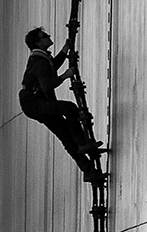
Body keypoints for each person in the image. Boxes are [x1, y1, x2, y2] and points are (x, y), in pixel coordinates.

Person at [19, 27, 102, 179]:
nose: (48, 36)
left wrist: (64, 50)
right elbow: (46, 84)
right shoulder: (40, 62)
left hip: (33, 103)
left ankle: (88, 170)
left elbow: (51, 67)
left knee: (64, 133)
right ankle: (82, 142)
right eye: (44, 36)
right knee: (70, 109)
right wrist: (65, 76)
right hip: (34, 103)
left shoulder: (41, 59)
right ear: (39, 43)